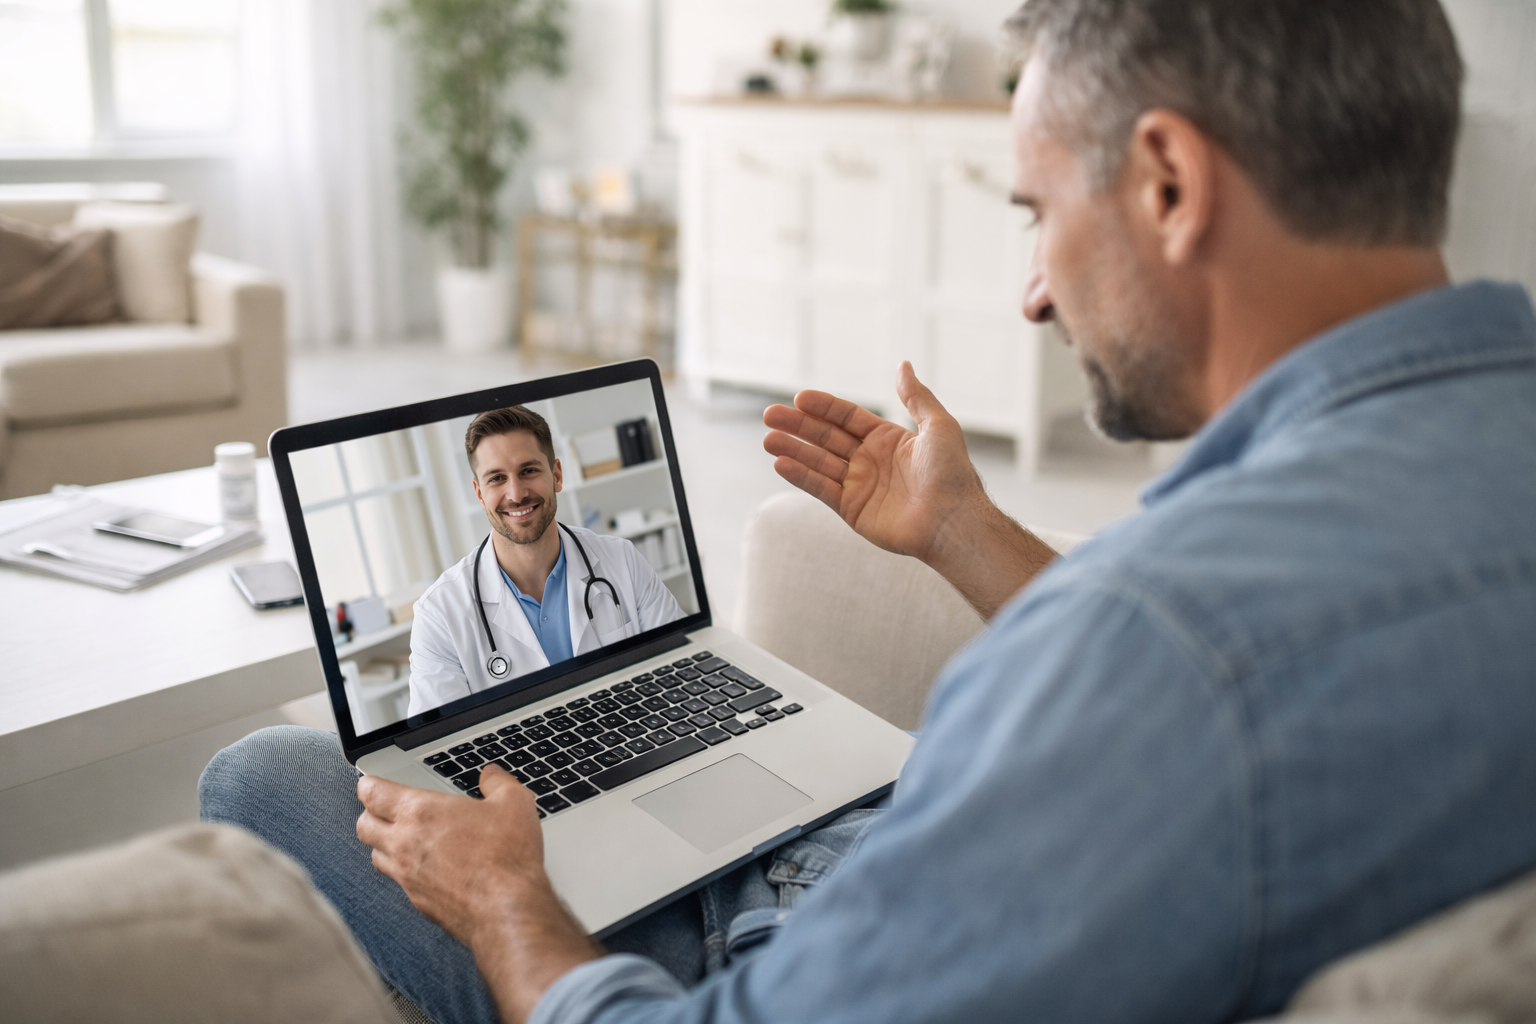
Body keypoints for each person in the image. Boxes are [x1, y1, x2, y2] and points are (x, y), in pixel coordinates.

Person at [200, 1, 1536, 1022]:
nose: (1031, 292)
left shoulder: (1158, 653)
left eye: (1036, 213)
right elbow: (1221, 668)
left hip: (815, 944)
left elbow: (1178, 666)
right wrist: (963, 532)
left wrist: (510, 905)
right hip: (890, 877)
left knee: (262, 770)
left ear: (1170, 186)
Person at [406, 406, 684, 717]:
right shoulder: (438, 614)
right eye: (497, 478)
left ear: (557, 475)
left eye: (529, 471)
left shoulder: (622, 560)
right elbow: (439, 746)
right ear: (480, 494)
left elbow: (681, 672)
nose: (517, 493)